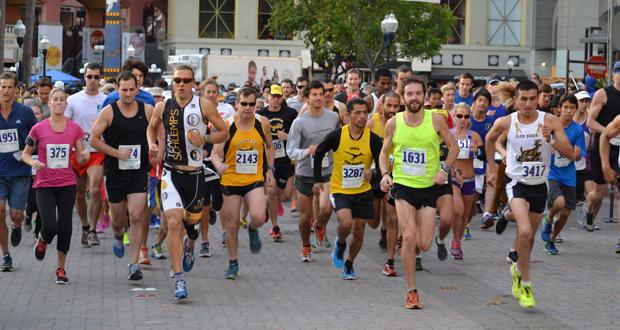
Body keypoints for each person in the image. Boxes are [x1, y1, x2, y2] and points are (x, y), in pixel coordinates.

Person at [485, 80, 576, 309]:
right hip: (516, 183)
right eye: (523, 99)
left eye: (532, 99)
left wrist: (551, 140)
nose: (527, 104)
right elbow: (489, 140)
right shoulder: (506, 122)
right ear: (516, 99)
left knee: (530, 238)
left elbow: (570, 153)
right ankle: (526, 283)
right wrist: (492, 166)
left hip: (539, 186)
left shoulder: (550, 121)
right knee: (524, 231)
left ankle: (517, 269)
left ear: (538, 99)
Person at [146, 64, 229, 300]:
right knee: (173, 223)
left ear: (194, 83)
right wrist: (153, 144)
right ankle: (179, 278)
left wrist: (205, 138)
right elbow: (151, 130)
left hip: (195, 175)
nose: (181, 85)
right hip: (171, 173)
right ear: (172, 83)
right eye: (177, 80)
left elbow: (224, 133)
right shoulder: (163, 106)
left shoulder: (204, 105)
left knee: (191, 225)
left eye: (186, 80)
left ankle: (191, 244)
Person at [379, 77, 457, 309]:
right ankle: (412, 290)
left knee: (423, 244)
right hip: (403, 186)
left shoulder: (436, 121)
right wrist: (385, 174)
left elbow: (453, 147)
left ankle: (415, 242)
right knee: (410, 237)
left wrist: (444, 169)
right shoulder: (394, 123)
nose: (414, 98)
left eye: (418, 94)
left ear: (424, 96)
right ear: (403, 98)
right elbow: (384, 153)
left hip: (428, 187)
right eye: (409, 94)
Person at [90, 71, 156, 280]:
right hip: (115, 172)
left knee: (137, 216)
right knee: (118, 220)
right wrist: (116, 152)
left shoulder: (147, 110)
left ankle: (134, 263)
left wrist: (157, 150)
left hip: (138, 171)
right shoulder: (109, 112)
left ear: (138, 89)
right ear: (117, 89)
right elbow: (93, 139)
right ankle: (118, 235)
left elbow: (159, 134)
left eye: (131, 89)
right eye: (124, 90)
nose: (128, 94)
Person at [22, 87, 89, 284]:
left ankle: (61, 268)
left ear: (66, 105)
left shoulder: (74, 128)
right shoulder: (38, 129)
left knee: (66, 227)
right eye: (55, 99)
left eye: (62, 100)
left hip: (67, 182)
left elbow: (80, 155)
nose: (59, 102)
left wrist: (84, 156)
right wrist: (32, 162)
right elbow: (26, 153)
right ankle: (42, 240)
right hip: (44, 184)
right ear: (49, 104)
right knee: (50, 225)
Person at [313, 98, 382, 279]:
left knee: (359, 230)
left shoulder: (373, 139)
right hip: (340, 189)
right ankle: (341, 242)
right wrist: (318, 179)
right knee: (346, 223)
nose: (361, 117)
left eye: (364, 113)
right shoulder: (337, 135)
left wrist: (373, 173)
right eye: (357, 113)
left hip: (363, 191)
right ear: (347, 115)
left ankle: (350, 264)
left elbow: (382, 166)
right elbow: (319, 152)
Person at [211, 86, 275, 279]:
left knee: (258, 216)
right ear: (236, 104)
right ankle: (233, 262)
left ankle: (254, 229)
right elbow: (215, 153)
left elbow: (270, 147)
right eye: (244, 104)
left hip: (254, 178)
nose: (247, 108)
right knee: (232, 225)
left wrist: (270, 169)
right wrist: (219, 165)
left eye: (252, 104)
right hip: (231, 179)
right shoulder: (227, 125)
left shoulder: (262, 123)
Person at [286, 80, 341, 261]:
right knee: (304, 217)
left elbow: (339, 142)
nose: (319, 97)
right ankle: (306, 245)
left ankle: (319, 226)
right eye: (315, 95)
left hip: (326, 170)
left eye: (321, 93)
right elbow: (291, 150)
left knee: (326, 208)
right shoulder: (299, 122)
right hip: (305, 173)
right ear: (307, 98)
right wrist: (307, 151)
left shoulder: (333, 117)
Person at [65, 63, 108, 248]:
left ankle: (93, 230)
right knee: (79, 193)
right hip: (77, 152)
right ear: (84, 77)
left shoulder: (107, 100)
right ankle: (84, 225)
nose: (92, 80)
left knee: (96, 190)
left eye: (96, 77)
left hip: (97, 151)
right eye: (89, 76)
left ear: (101, 79)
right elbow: (65, 125)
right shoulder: (73, 100)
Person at [0, 72, 37, 272]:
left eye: (9, 87)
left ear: (17, 90)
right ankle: (5, 255)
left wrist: (28, 153)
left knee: (15, 215)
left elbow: (36, 138)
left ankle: (16, 226)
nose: (6, 91)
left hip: (19, 171)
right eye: (2, 87)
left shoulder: (25, 113)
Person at [539, 94, 585, 255]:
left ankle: (551, 240)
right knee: (558, 203)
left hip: (570, 176)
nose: (568, 111)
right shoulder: (551, 125)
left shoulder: (578, 130)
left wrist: (575, 153)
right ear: (559, 108)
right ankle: (548, 219)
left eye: (572, 108)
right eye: (565, 107)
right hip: (552, 173)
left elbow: (578, 154)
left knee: (565, 213)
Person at [257, 85, 298, 241]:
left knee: (286, 195)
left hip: (286, 159)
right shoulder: (261, 115)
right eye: (272, 96)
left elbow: (298, 135)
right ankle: (275, 227)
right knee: (272, 191)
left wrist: (287, 136)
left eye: (278, 96)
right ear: (268, 96)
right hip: (268, 159)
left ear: (282, 97)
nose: (275, 99)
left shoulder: (291, 113)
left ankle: (273, 205)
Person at [367, 92, 400, 275]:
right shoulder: (372, 123)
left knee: (393, 216)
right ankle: (382, 228)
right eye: (389, 106)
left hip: (393, 176)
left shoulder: (402, 124)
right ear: (382, 106)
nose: (392, 110)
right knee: (372, 221)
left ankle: (390, 261)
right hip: (374, 174)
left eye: (396, 106)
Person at [585, 61, 620, 234]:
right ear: (613, 75)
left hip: (619, 149)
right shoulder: (603, 94)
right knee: (599, 192)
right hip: (602, 145)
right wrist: (608, 132)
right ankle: (588, 211)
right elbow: (590, 122)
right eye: (619, 73)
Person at [449, 103, 483, 260]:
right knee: (458, 210)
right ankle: (455, 241)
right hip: (454, 178)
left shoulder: (474, 136)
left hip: (470, 179)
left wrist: (477, 151)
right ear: (454, 116)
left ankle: (457, 241)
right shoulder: (448, 135)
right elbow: (442, 156)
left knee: (465, 216)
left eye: (466, 116)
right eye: (459, 116)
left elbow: (483, 158)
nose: (463, 119)